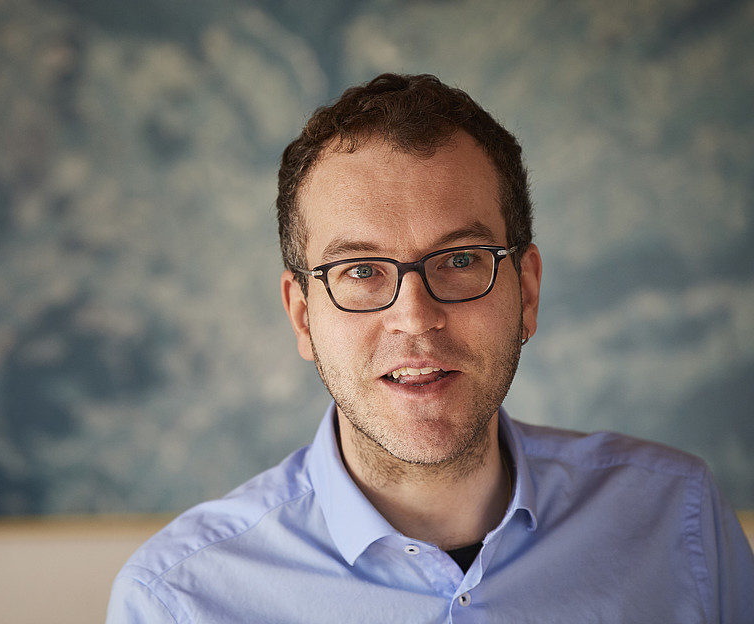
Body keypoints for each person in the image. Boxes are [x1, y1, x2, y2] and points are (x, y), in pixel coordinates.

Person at [106, 73, 753, 623]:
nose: (414, 318)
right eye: (361, 271)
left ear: (526, 290)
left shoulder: (679, 521)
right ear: (302, 316)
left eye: (461, 259)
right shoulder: (179, 600)